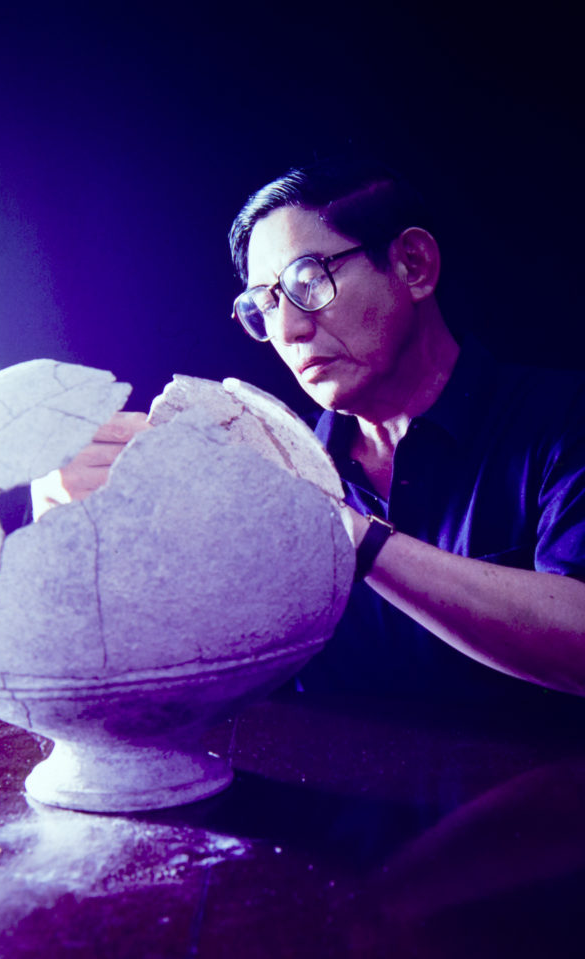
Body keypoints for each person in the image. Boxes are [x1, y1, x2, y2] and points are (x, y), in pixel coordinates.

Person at [38, 156, 585, 703]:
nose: (289, 328)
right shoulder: (262, 473)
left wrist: (342, 532)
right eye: (265, 304)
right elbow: (168, 676)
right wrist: (70, 542)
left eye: (309, 280)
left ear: (413, 266)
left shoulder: (563, 419)